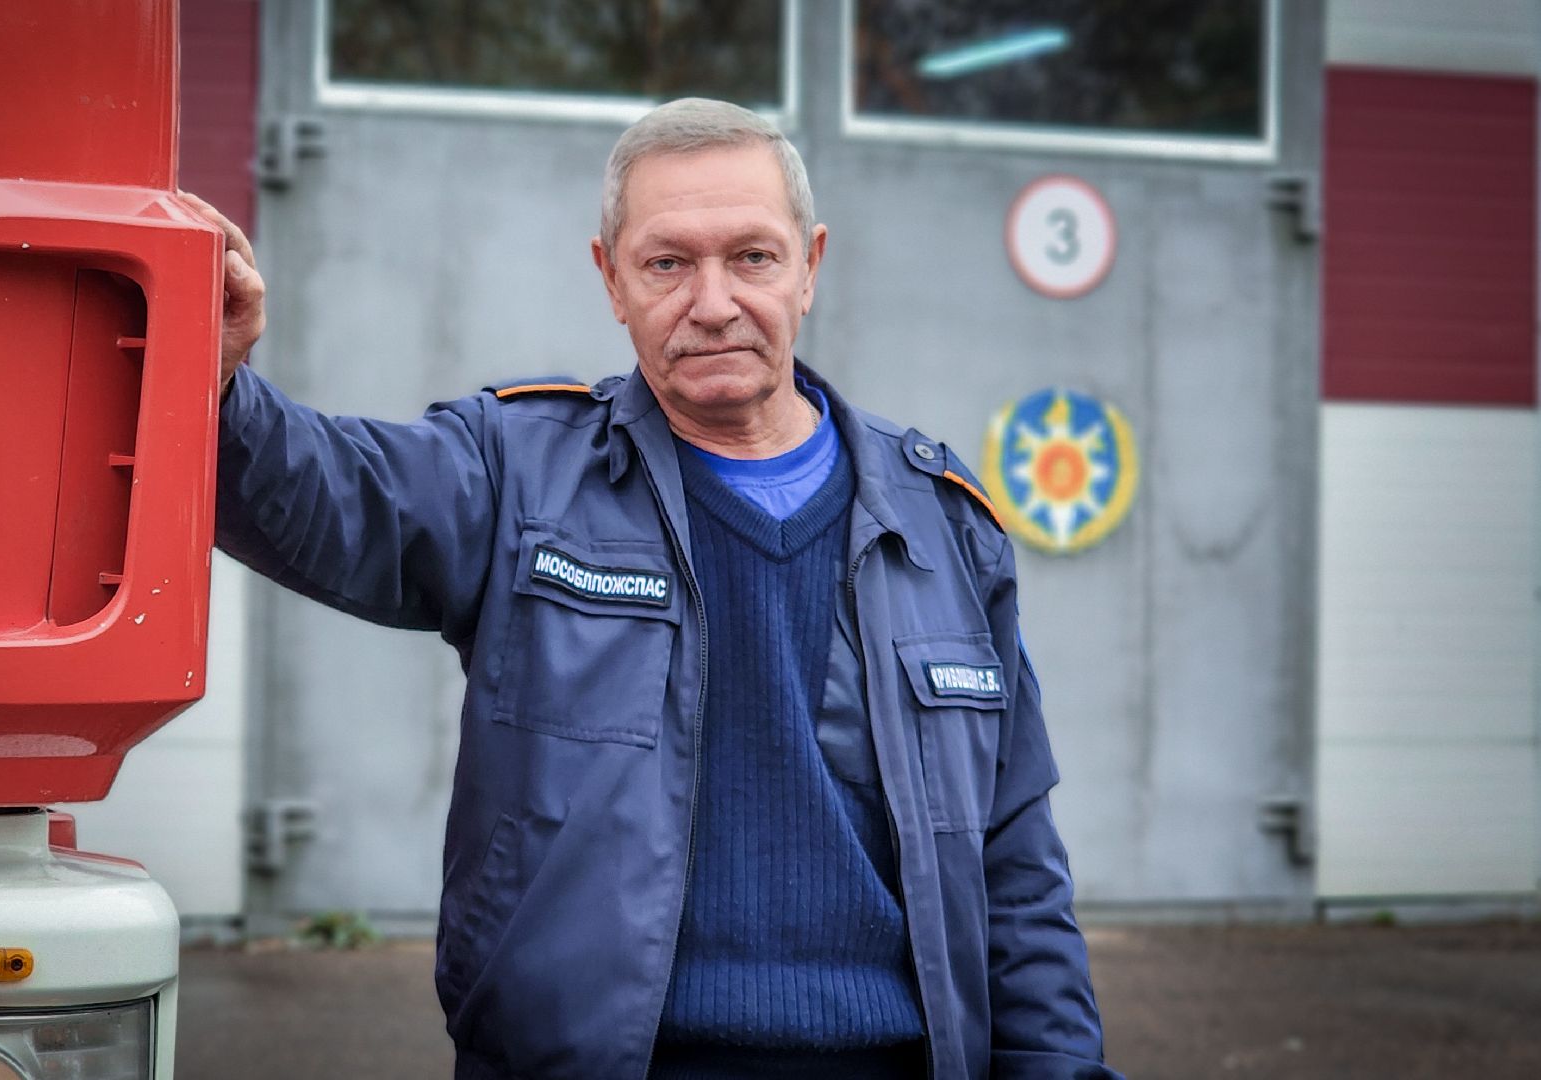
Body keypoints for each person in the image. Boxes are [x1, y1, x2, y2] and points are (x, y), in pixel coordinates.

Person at [186, 97, 1118, 1080]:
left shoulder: (945, 529)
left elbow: (1016, 868)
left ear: (809, 267)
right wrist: (212, 382)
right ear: (611, 279)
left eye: (752, 258)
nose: (712, 303)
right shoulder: (518, 475)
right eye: (667, 263)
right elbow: (329, 495)